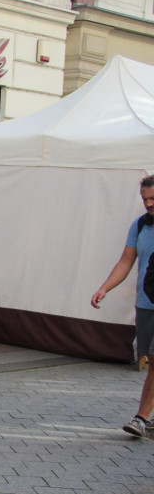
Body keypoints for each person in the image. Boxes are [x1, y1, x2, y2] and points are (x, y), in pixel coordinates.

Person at [90, 175, 154, 437]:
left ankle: (141, 417)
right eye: (145, 199)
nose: (149, 203)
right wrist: (105, 287)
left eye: (153, 198)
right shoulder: (139, 226)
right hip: (146, 305)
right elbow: (126, 262)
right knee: (149, 358)